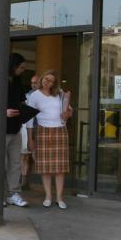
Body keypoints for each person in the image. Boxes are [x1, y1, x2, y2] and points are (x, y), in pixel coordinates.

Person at [26, 70, 73, 209]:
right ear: (41, 79)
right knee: (45, 167)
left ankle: (59, 197)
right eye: (46, 79)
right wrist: (30, 139)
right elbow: (29, 119)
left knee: (60, 168)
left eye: (51, 81)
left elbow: (69, 111)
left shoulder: (60, 93)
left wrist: (67, 114)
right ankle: (48, 196)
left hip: (60, 130)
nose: (47, 82)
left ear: (54, 83)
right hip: (42, 131)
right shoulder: (34, 95)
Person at [4, 53, 29, 208]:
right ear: (13, 66)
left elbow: (22, 102)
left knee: (15, 163)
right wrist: (4, 112)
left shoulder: (18, 82)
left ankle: (13, 193)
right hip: (1, 129)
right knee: (1, 164)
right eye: (21, 67)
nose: (23, 70)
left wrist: (26, 112)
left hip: (16, 128)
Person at [20, 74, 39, 190]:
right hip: (28, 128)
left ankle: (27, 180)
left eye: (35, 82)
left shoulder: (44, 96)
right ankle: (24, 181)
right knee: (25, 155)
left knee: (35, 157)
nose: (33, 85)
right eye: (32, 83)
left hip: (40, 127)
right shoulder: (27, 96)